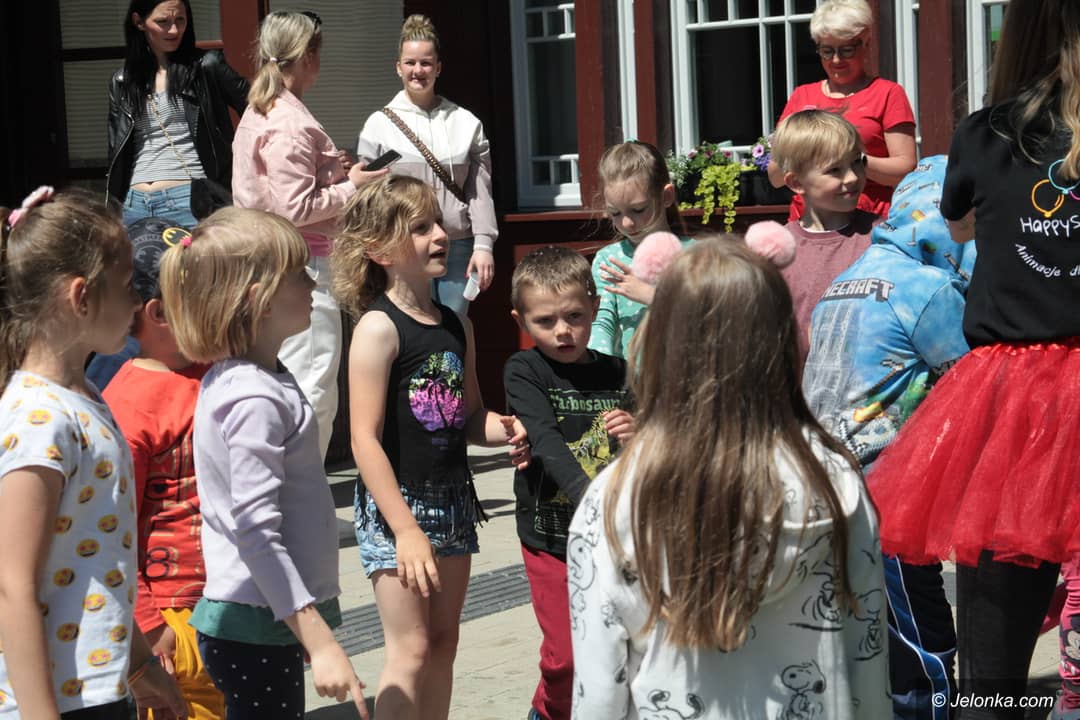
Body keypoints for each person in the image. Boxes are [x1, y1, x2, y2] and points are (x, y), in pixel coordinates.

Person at [568, 238, 890, 719]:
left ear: (659, 343)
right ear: (782, 342)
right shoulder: (832, 476)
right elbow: (868, 656)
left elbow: (598, 690)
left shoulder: (618, 496)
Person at [865, 2, 1080, 717]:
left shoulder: (987, 134)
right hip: (1027, 389)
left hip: (1016, 393)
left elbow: (957, 224)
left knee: (993, 664)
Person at [158, 207, 369, 720]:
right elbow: (255, 530)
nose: (313, 281)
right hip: (255, 620)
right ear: (259, 299)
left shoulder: (255, 378)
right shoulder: (253, 396)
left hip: (265, 615)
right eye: (299, 273)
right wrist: (318, 639)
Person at [331, 175, 529, 720]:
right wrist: (406, 530)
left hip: (453, 501)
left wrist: (514, 427)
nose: (440, 235)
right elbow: (363, 439)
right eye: (420, 228)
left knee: (443, 643)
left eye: (437, 223)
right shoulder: (377, 328)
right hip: (398, 508)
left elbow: (470, 419)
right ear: (379, 251)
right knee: (412, 649)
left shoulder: (455, 325)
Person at [0, 188, 187, 719]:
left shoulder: (84, 398)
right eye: (127, 287)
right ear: (81, 297)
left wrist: (141, 666)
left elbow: (97, 565)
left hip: (100, 687)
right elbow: (12, 584)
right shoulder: (39, 420)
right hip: (60, 702)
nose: (134, 304)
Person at [802, 156, 975, 719]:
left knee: (860, 640)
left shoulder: (844, 281)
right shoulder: (927, 287)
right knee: (921, 646)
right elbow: (974, 383)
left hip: (825, 486)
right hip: (887, 494)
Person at [232, 10, 387, 459]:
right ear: (306, 57)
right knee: (313, 384)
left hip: (268, 258)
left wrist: (335, 171)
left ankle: (287, 482)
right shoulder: (290, 121)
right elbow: (294, 208)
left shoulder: (261, 111)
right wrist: (351, 185)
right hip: (304, 265)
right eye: (318, 51)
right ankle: (302, 487)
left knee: (287, 377)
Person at [504, 246, 635, 720]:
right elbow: (545, 441)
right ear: (521, 320)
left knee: (615, 651)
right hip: (551, 539)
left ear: (595, 308)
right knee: (564, 659)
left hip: (613, 543)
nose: (563, 331)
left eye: (575, 316)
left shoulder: (619, 373)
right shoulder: (525, 370)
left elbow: (655, 447)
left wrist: (638, 430)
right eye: (545, 321)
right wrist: (592, 504)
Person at [100, 218, 224, 720]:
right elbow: (112, 532)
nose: (218, 303)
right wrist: (150, 628)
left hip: (233, 600)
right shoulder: (126, 408)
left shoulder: (219, 370)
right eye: (203, 294)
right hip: (176, 619)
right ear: (157, 313)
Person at [356, 14, 498, 317]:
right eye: (410, 63)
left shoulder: (466, 123)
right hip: (403, 249)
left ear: (438, 68)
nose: (417, 71)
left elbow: (480, 191)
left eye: (426, 63)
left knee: (453, 328)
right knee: (409, 327)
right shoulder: (378, 125)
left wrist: (484, 245)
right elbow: (371, 197)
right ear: (398, 67)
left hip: (457, 246)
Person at [767, 0, 916, 223]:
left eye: (847, 50)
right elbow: (775, 176)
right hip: (808, 223)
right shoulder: (802, 96)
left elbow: (905, 170)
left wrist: (854, 160)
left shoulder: (887, 93)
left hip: (868, 221)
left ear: (866, 43)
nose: (836, 60)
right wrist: (803, 156)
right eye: (827, 51)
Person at [107, 0, 249, 228]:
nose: (174, 30)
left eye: (180, 20)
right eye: (163, 21)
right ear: (139, 22)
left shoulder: (205, 66)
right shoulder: (122, 81)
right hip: (135, 203)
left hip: (190, 199)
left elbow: (258, 109)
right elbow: (116, 151)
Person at [771, 109, 879, 365]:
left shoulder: (883, 236)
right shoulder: (780, 250)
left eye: (857, 162)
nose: (852, 177)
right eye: (835, 170)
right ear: (796, 183)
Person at [587, 141, 693, 359]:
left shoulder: (696, 255)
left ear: (666, 197)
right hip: (629, 378)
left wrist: (653, 296)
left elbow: (711, 319)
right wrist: (598, 368)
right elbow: (601, 322)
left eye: (638, 209)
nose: (626, 223)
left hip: (686, 375)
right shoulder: (609, 259)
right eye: (615, 213)